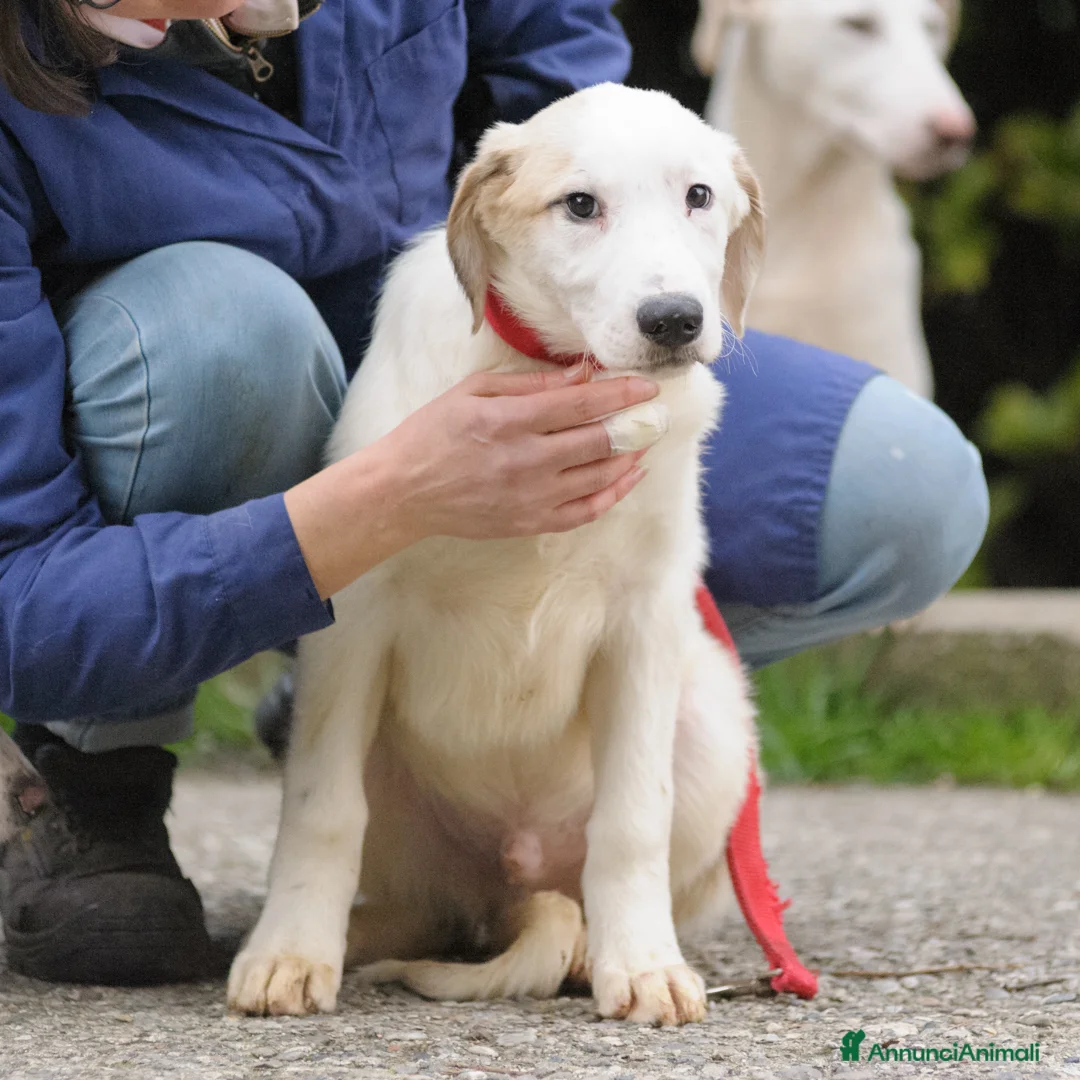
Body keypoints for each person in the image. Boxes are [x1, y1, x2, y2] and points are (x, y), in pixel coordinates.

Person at [0, 0, 988, 988]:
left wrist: (602, 236)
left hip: (513, 304)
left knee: (904, 489)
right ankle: (101, 768)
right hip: (220, 366)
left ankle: (433, 719)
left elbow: (575, 91)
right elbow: (16, 590)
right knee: (226, 339)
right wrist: (396, 494)